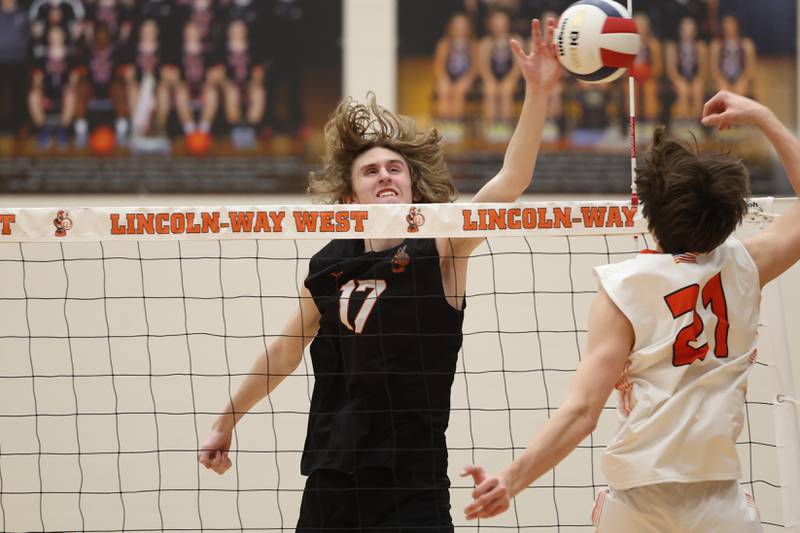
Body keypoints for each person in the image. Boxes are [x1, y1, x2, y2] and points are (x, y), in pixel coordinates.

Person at [198, 17, 563, 533]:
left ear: (413, 189)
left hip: (411, 481)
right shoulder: (327, 264)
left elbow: (510, 183)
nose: (386, 175)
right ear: (350, 198)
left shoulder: (442, 248)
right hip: (331, 477)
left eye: (395, 169)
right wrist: (226, 420)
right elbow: (284, 352)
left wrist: (539, 91)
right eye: (370, 171)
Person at [462, 91, 800, 532]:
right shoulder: (746, 264)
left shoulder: (623, 289)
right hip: (720, 501)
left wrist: (512, 479)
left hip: (639, 502)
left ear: (648, 208)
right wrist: (763, 115)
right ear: (730, 212)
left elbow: (582, 413)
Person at [478, 9, 522, 140]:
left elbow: (517, 66)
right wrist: (489, 80)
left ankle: (505, 125)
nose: (499, 25)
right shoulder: (486, 42)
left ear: (507, 23)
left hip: (510, 77)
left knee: (505, 90)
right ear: (491, 24)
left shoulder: (515, 40)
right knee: (490, 90)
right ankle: (491, 125)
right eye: (496, 22)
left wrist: (510, 80)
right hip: (492, 77)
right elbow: (483, 66)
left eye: (502, 22)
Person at [433, 12, 478, 124]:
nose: (460, 28)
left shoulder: (472, 44)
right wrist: (444, 79)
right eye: (457, 25)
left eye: (463, 26)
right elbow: (439, 66)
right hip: (448, 76)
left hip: (466, 78)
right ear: (451, 27)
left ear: (468, 28)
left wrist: (467, 79)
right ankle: (445, 122)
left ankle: (455, 123)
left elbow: (475, 67)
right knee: (444, 89)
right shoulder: (444, 44)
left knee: (458, 91)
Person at [665, 16, 707, 120]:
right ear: (680, 31)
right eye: (685, 30)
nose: (688, 33)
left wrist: (697, 79)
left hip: (694, 78)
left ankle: (697, 119)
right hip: (679, 78)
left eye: (691, 30)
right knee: (683, 89)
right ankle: (683, 119)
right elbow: (671, 70)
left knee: (698, 88)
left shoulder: (700, 47)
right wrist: (679, 80)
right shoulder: (673, 47)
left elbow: (703, 69)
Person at [710, 15, 756, 96]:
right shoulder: (716, 45)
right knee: (724, 92)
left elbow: (750, 69)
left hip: (741, 77)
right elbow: (714, 70)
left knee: (740, 91)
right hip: (723, 78)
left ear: (737, 26)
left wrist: (743, 80)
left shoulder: (746, 45)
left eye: (732, 25)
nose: (729, 28)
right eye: (726, 26)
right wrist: (721, 80)